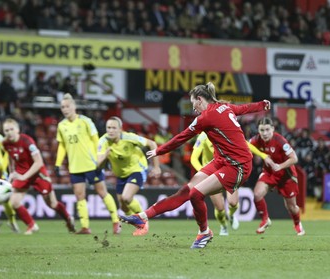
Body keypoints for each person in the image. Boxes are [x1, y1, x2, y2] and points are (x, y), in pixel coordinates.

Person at [120, 82, 271, 248]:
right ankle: (143, 217)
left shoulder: (206, 117)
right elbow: (244, 109)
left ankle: (204, 233)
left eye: (194, 105)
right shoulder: (224, 107)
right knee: (186, 190)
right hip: (222, 161)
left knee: (195, 194)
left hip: (238, 166)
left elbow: (182, 137)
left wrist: (160, 150)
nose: (194, 109)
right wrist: (262, 105)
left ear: (200, 100)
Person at [55, 93, 120, 234]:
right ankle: (85, 227)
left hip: (92, 164)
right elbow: (62, 146)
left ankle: (116, 222)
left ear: (74, 106)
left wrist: (101, 158)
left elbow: (97, 140)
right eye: (62, 107)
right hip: (75, 166)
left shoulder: (85, 121)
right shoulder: (62, 126)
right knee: (79, 196)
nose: (65, 109)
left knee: (102, 192)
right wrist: (57, 163)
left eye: (67, 106)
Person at [191, 132, 273, 236]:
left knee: (233, 203)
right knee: (220, 208)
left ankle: (231, 215)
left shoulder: (225, 130)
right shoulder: (203, 136)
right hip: (211, 174)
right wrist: (204, 172)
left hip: (229, 170)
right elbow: (193, 158)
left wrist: (262, 155)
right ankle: (223, 225)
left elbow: (245, 143)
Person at [2, 118, 75, 235]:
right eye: (6, 130)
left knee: (52, 204)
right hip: (21, 173)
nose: (9, 132)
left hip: (38, 174)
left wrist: (23, 176)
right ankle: (32, 225)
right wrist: (12, 172)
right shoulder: (5, 143)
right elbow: (11, 156)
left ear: (17, 130)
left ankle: (68, 219)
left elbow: (39, 162)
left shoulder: (27, 141)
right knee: (14, 202)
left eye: (11, 129)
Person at [97, 116, 161, 236]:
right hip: (121, 175)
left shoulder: (129, 137)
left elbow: (152, 144)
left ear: (120, 129)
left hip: (137, 169)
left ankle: (143, 220)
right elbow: (98, 163)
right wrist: (105, 156)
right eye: (108, 128)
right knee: (124, 206)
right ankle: (137, 221)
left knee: (126, 197)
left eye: (113, 128)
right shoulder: (103, 141)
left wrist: (156, 166)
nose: (110, 130)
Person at [249, 117, 305, 236]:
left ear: (273, 129)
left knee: (291, 207)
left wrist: (280, 166)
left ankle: (297, 223)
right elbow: (246, 145)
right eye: (262, 130)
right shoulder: (257, 139)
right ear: (258, 130)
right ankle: (265, 220)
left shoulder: (280, 141)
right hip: (269, 173)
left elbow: (294, 158)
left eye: (267, 130)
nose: (264, 133)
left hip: (286, 175)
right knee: (257, 194)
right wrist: (261, 155)